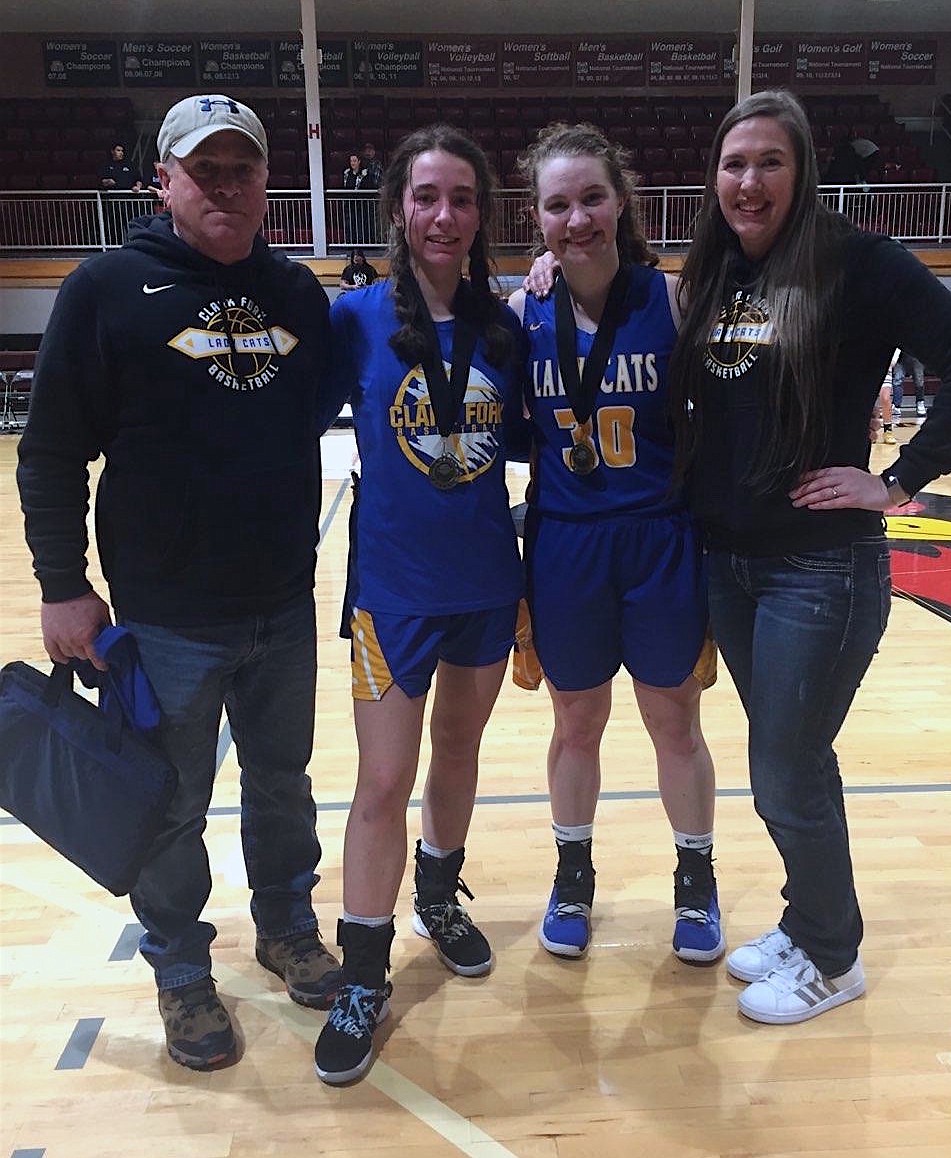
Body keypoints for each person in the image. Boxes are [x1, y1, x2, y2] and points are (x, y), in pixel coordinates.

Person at [17, 93, 342, 1071]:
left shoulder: (295, 293)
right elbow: (50, 453)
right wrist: (63, 584)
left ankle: (286, 926)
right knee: (171, 803)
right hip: (165, 618)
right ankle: (181, 968)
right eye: (205, 170)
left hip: (282, 604)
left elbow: (329, 402)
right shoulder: (106, 289)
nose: (226, 187)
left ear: (264, 181)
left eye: (242, 168)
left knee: (282, 787)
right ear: (162, 181)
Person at [668, 89, 951, 1025]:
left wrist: (900, 476)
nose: (747, 182)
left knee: (785, 772)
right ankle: (807, 921)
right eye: (732, 164)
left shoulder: (856, 263)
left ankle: (833, 959)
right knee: (792, 763)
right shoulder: (720, 269)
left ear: (802, 171)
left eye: (768, 162)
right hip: (733, 564)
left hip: (819, 570)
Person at [312, 123, 527, 1086]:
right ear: (399, 207)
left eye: (463, 199)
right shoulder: (353, 317)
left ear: (482, 215)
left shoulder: (507, 327)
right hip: (390, 597)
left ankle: (437, 896)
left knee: (459, 752)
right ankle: (364, 973)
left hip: (486, 583)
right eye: (427, 196)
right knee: (381, 781)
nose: (445, 215)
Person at [509, 123, 722, 966]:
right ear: (538, 217)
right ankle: (572, 873)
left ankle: (695, 880)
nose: (577, 218)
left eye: (591, 197)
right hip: (564, 542)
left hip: (660, 537)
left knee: (674, 722)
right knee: (576, 720)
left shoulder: (670, 299)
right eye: (558, 204)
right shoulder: (521, 309)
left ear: (620, 202)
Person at [892, 351, 927, 419]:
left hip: (916, 355)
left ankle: (920, 403)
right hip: (900, 355)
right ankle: (896, 406)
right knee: (897, 380)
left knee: (919, 380)